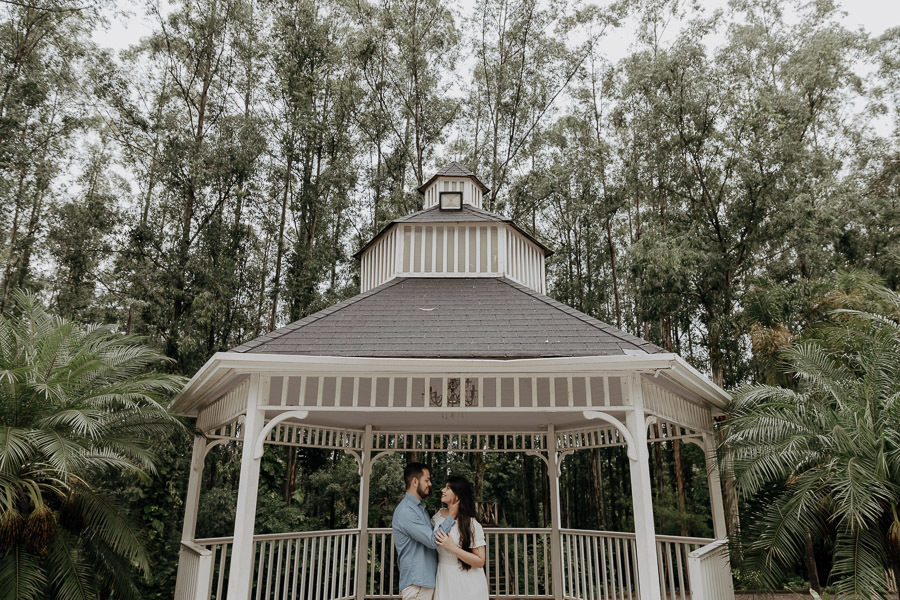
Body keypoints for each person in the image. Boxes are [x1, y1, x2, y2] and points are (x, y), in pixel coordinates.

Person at [392, 462, 455, 600]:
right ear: (415, 481)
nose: (430, 484)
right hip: (417, 585)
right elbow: (433, 540)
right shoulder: (406, 511)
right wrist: (451, 516)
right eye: (427, 480)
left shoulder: (419, 508)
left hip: (425, 583)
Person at [431, 476, 489, 599]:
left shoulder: (471, 523)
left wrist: (452, 547)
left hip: (468, 582)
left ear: (457, 495)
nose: (442, 490)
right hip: (444, 577)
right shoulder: (437, 517)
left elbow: (480, 561)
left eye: (448, 488)